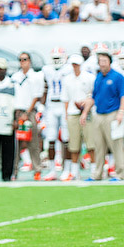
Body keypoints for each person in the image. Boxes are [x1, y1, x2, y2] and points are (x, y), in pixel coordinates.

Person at [81, 46, 124, 181]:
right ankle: (97, 174)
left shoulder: (118, 77)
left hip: (112, 114)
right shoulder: (98, 78)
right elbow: (93, 97)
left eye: (104, 61)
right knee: (99, 146)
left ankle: (120, 173)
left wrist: (121, 112)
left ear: (109, 62)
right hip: (99, 114)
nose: (102, 63)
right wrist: (85, 112)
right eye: (100, 61)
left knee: (116, 145)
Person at [61, 54, 95, 181]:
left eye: (77, 64)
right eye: (73, 64)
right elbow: (65, 99)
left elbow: (92, 96)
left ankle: (94, 171)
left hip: (88, 113)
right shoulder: (67, 79)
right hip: (72, 113)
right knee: (74, 145)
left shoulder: (89, 77)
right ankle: (75, 172)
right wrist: (66, 115)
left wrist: (85, 106)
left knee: (91, 143)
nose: (75, 67)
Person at [11, 51, 44, 180]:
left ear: (29, 61)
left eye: (25, 59)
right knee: (15, 144)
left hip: (29, 111)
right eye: (20, 60)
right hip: (17, 111)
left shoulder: (35, 77)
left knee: (33, 142)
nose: (22, 62)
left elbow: (37, 96)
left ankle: (37, 169)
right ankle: (14, 171)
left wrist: (27, 113)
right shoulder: (15, 76)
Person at [41, 48, 70, 181]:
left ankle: (67, 169)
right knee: (51, 138)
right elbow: (44, 87)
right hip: (51, 105)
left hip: (64, 104)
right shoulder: (46, 70)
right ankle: (52, 170)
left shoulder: (68, 69)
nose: (57, 61)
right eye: (54, 58)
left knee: (66, 138)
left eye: (59, 58)